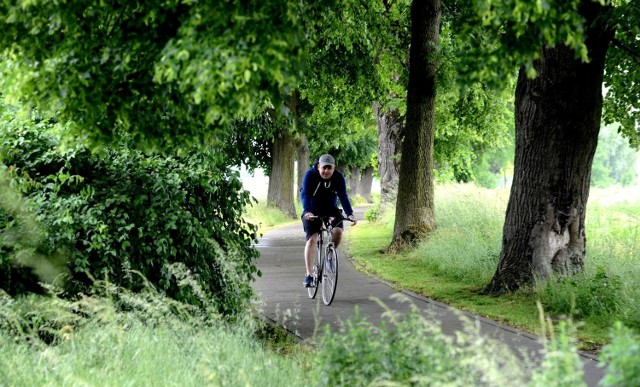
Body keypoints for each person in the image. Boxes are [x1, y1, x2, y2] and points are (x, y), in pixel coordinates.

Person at [300, 154, 357, 287]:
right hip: (312, 210)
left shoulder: (338, 177)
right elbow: (305, 194)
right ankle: (309, 275)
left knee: (338, 231)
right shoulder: (310, 175)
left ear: (334, 168)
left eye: (329, 168)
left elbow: (343, 195)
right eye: (323, 168)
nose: (326, 171)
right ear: (318, 166)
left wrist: (350, 213)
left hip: (330, 208)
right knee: (312, 239)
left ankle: (330, 257)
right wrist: (307, 211)